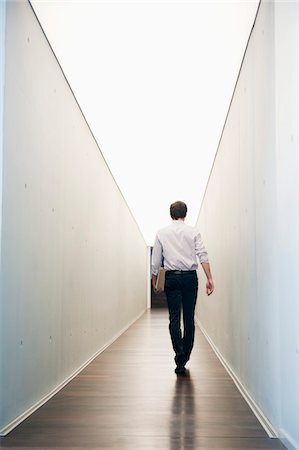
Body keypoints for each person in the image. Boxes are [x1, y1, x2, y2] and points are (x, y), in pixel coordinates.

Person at [151, 201, 214, 374]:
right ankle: (185, 356)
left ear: (170, 214)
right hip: (189, 278)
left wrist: (154, 280)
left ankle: (179, 355)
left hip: (172, 278)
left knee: (174, 318)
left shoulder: (162, 233)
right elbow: (202, 255)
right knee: (189, 318)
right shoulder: (193, 232)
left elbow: (156, 261)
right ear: (185, 214)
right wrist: (209, 278)